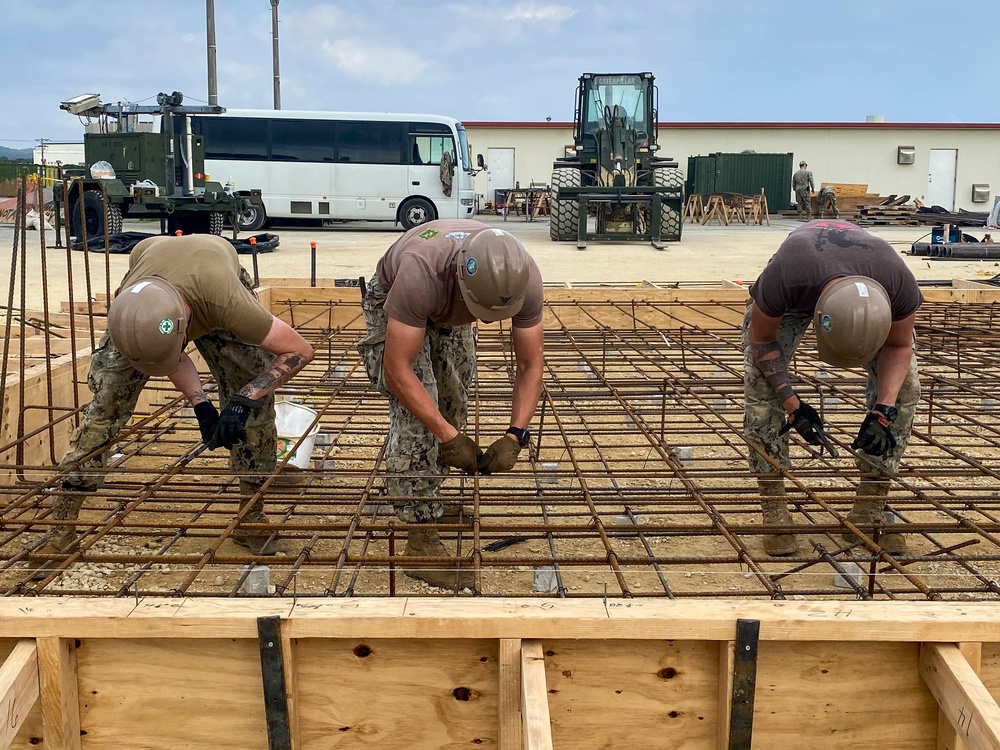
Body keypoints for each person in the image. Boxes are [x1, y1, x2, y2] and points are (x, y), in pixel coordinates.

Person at [31, 234, 314, 577]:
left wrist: (244, 398)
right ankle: (61, 528)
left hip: (214, 285)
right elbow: (168, 352)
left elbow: (300, 350)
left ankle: (251, 516)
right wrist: (201, 404)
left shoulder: (231, 305)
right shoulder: (131, 314)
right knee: (102, 412)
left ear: (187, 325)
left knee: (254, 402)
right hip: (156, 297)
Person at [357, 219, 544, 589]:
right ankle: (420, 538)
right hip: (396, 300)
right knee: (419, 417)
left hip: (450, 303)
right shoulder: (420, 274)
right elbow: (398, 369)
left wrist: (515, 434)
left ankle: (432, 496)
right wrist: (445, 436)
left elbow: (530, 363)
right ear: (462, 281)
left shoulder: (523, 279)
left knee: (453, 399)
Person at [742, 220, 922, 557]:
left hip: (870, 289)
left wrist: (883, 411)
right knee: (761, 393)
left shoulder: (900, 286)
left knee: (906, 390)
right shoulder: (786, 276)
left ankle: (870, 506)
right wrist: (793, 405)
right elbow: (762, 341)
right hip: (802, 287)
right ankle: (774, 510)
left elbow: (898, 347)